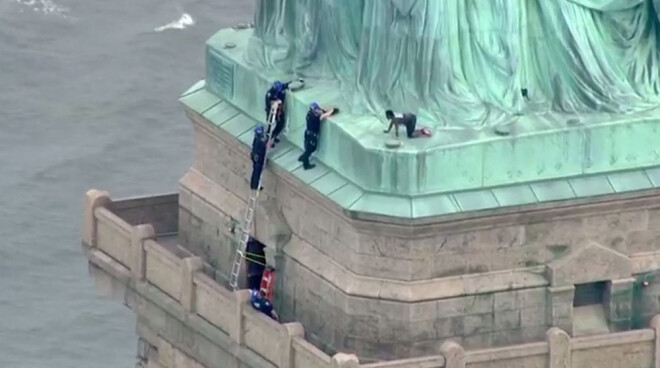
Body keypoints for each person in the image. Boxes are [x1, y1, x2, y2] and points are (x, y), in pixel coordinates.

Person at [298, 102, 336, 170]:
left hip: (308, 133)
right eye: (317, 109)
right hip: (312, 135)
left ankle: (302, 157)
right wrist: (332, 111)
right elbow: (323, 116)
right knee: (310, 149)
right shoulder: (314, 117)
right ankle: (305, 164)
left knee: (309, 148)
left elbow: (322, 111)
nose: (318, 110)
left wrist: (325, 110)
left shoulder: (309, 114)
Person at [264, 80, 295, 146]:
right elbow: (270, 105)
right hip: (272, 112)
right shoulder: (269, 94)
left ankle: (274, 136)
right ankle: (268, 140)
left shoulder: (281, 88)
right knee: (270, 127)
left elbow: (287, 84)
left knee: (280, 124)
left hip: (279, 111)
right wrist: (276, 103)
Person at [250, 124, 268, 190]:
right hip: (258, 160)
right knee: (257, 173)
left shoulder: (256, 139)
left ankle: (253, 185)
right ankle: (255, 185)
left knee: (255, 172)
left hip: (256, 158)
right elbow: (260, 148)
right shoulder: (258, 140)